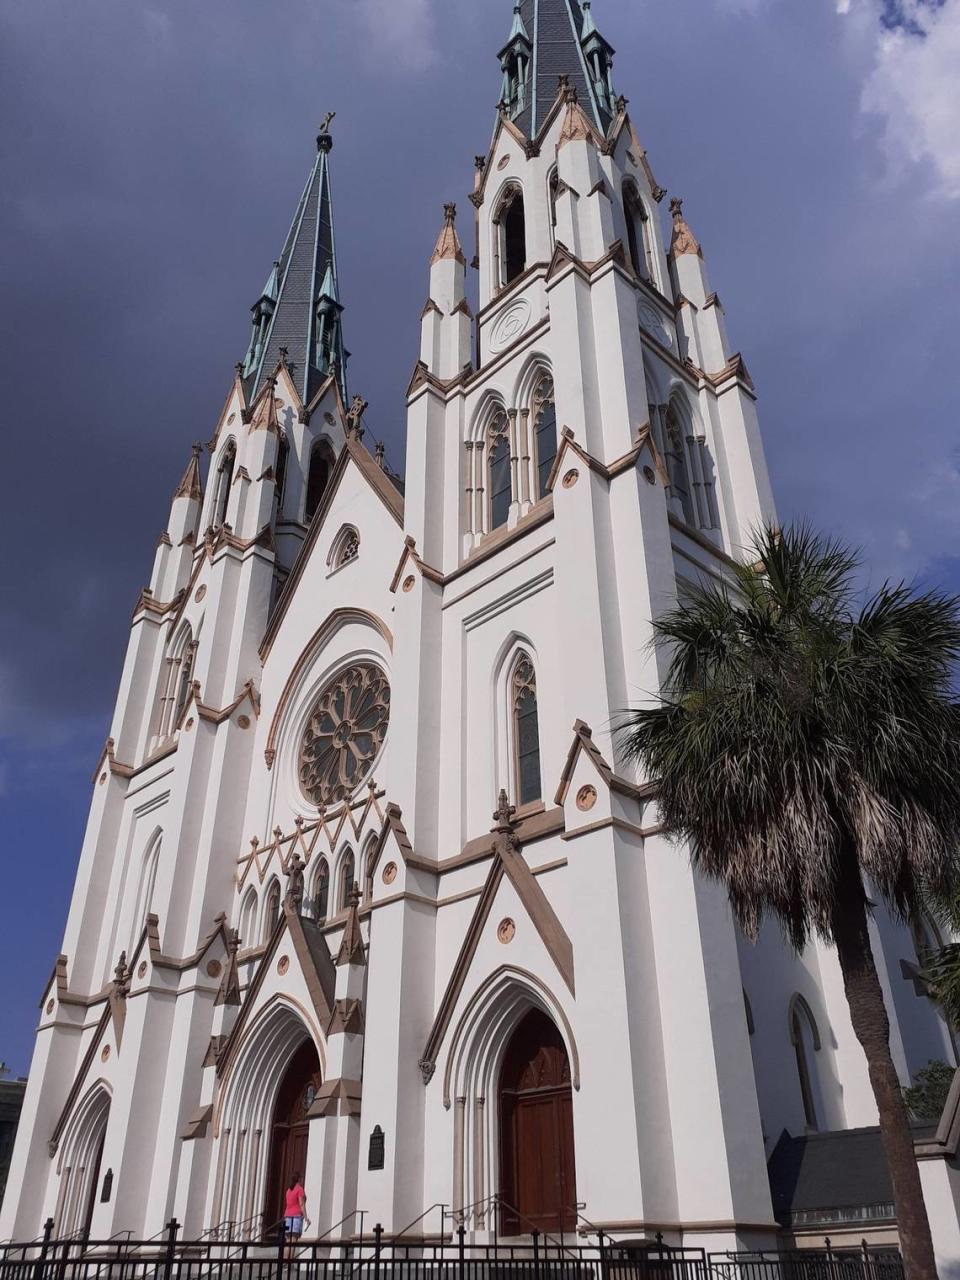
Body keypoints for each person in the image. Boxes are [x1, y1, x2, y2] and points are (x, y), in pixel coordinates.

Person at [283, 1172, 306, 1255]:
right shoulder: (299, 1189)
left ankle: (285, 1263)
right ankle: (290, 1262)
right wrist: (306, 1218)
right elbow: (301, 1204)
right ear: (299, 1179)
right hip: (296, 1217)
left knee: (288, 1240)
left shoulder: (289, 1190)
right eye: (302, 1178)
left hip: (287, 1217)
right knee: (293, 1241)